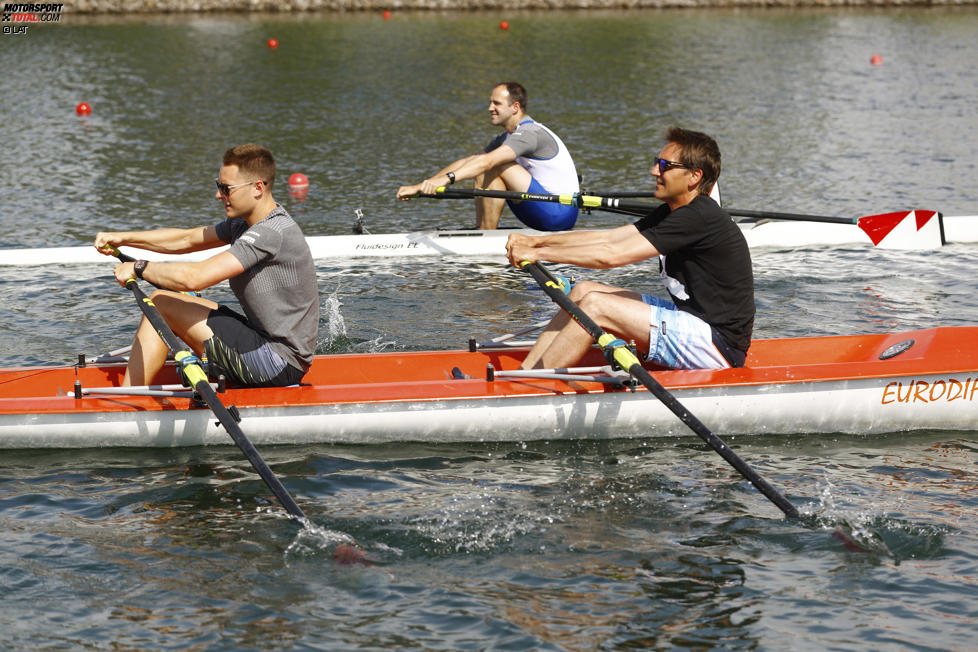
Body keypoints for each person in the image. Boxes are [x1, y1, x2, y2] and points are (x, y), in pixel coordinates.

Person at [505, 127, 754, 371]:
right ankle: (526, 372)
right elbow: (610, 239)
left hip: (717, 344)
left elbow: (611, 257)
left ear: (694, 176)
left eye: (665, 166)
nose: (654, 170)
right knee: (583, 290)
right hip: (690, 319)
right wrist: (535, 243)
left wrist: (538, 253)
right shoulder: (673, 211)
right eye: (657, 162)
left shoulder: (699, 216)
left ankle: (531, 389)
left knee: (595, 305)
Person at [94, 144, 320, 388]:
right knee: (170, 299)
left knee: (160, 302)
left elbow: (196, 277)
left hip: (278, 362)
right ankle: (142, 385)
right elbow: (187, 239)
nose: (218, 195)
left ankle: (129, 403)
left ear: (257, 188)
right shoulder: (244, 224)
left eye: (226, 189)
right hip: (266, 345)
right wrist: (124, 238)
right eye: (218, 186)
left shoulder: (270, 233)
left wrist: (139, 267)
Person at [396, 82, 580, 231]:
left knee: (491, 164)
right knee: (480, 163)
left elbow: (487, 162)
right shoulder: (507, 137)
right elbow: (469, 162)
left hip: (558, 213)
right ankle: (482, 229)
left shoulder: (530, 133)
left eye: (497, 103)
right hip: (538, 210)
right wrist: (423, 185)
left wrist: (446, 180)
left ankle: (486, 233)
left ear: (515, 107)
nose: (490, 108)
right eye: (491, 102)